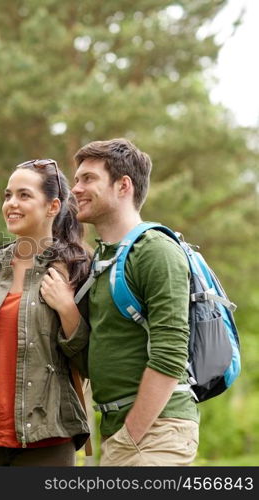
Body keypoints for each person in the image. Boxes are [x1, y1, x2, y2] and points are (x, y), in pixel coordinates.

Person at [0, 159, 91, 466]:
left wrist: (67, 310)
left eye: (24, 195)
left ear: (52, 207)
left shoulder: (76, 271)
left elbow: (89, 364)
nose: (11, 203)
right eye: (8, 195)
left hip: (47, 439)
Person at [69, 138, 199, 466]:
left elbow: (170, 353)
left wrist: (132, 434)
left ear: (123, 185)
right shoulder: (102, 259)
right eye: (76, 180)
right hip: (120, 432)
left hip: (156, 431)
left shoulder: (155, 250)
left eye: (88, 179)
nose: (75, 189)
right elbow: (93, 358)